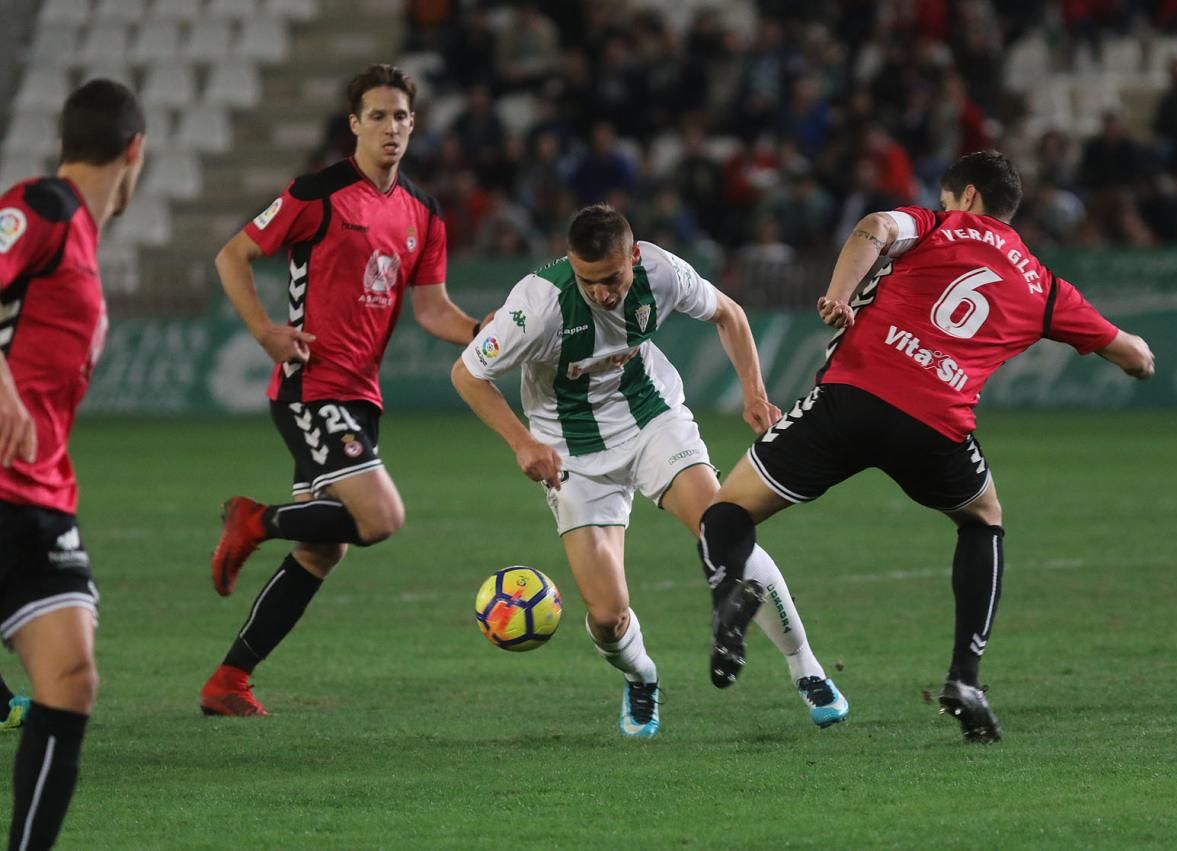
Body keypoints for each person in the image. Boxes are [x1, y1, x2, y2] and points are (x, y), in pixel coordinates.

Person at [697, 151, 1155, 743]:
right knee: (982, 518)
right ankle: (965, 678)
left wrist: (841, 293)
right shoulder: (1045, 288)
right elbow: (1135, 356)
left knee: (728, 510)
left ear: (965, 197)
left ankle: (729, 596)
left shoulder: (937, 226)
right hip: (935, 423)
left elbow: (874, 228)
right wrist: (1140, 359)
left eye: (944, 199)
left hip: (852, 397)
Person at [451, 204, 849, 737]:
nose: (602, 293)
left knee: (723, 529)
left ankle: (808, 671)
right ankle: (642, 677)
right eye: (588, 280)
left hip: (650, 421)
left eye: (612, 278)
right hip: (571, 455)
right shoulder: (536, 305)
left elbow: (729, 313)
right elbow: (467, 373)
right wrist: (521, 441)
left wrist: (754, 392)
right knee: (607, 615)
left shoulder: (660, 271)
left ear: (633, 257)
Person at [199, 64, 485, 717]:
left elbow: (434, 309)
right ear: (353, 123)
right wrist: (265, 330)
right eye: (377, 116)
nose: (391, 128)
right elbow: (231, 256)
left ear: (415, 125)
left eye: (401, 117)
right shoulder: (318, 193)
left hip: (360, 395)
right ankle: (256, 518)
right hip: (311, 385)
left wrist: (482, 331)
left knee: (324, 549)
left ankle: (229, 679)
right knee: (381, 519)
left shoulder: (422, 211)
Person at [0, 79, 145, 848]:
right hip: (6, 488)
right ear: (135, 152)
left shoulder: (79, 240)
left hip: (38, 494)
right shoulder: (44, 208)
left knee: (70, 678)